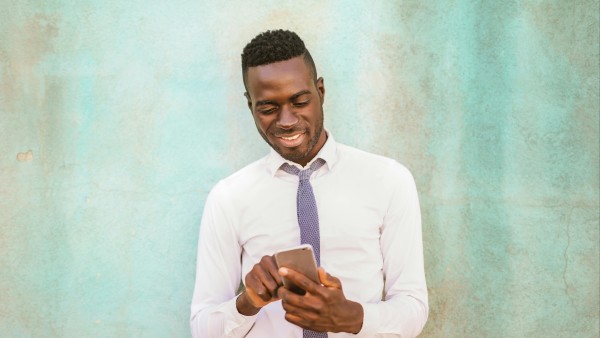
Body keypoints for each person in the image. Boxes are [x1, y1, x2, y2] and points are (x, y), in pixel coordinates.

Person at [190, 29, 428, 337]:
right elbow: (203, 328)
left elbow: (413, 306)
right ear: (250, 107)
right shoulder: (229, 198)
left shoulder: (389, 180)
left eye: (299, 101)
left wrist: (352, 317)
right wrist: (248, 302)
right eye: (268, 108)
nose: (287, 120)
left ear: (321, 92)